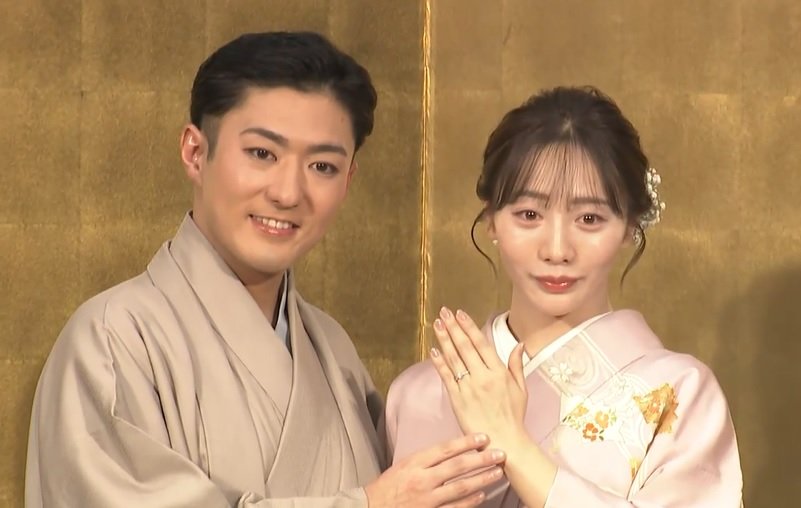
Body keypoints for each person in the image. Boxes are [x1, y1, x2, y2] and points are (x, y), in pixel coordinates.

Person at [25, 31, 506, 508]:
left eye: (323, 166)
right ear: (195, 152)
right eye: (262, 154)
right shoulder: (113, 341)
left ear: (348, 179)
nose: (288, 192)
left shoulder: (333, 351)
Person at [384, 86, 744, 507]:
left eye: (589, 218)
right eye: (529, 215)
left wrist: (511, 444)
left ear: (630, 227)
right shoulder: (418, 394)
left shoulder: (678, 394)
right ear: (491, 220)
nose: (557, 250)